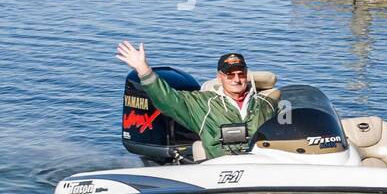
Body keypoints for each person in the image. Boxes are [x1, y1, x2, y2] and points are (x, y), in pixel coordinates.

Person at [115, 41, 278, 159]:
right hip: (220, 170)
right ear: (220, 77)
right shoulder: (203, 104)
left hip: (258, 166)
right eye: (230, 75)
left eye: (240, 74)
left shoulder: (264, 105)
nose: (236, 79)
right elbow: (167, 100)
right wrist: (143, 69)